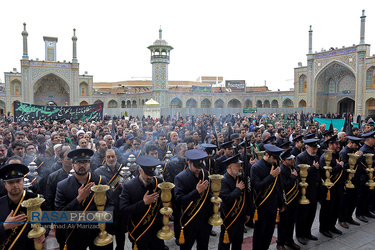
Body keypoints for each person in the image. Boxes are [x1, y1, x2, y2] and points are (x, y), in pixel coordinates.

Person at [55, 148, 113, 250]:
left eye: (85, 162)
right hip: (75, 232)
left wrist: (106, 215)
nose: (82, 165)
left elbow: (110, 203)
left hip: (98, 230)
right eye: (78, 162)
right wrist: (78, 199)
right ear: (72, 165)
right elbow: (60, 215)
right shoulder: (62, 186)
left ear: (89, 164)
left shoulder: (100, 180)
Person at [120, 155, 166, 250]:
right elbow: (123, 210)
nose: (150, 177)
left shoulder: (159, 182)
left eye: (152, 174)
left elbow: (162, 203)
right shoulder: (129, 186)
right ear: (140, 171)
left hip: (156, 230)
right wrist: (143, 203)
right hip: (139, 230)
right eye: (147, 174)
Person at [0, 163, 46, 249]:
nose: (15, 185)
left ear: (23, 181)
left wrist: (43, 233)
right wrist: (4, 226)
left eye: (18, 181)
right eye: (10, 182)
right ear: (5, 184)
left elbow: (47, 221)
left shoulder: (36, 199)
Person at [174, 149, 213, 250]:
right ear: (188, 163)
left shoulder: (205, 174)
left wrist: (214, 199)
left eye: (200, 166)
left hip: (204, 221)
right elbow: (178, 200)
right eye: (196, 166)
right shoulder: (180, 178)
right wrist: (196, 192)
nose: (199, 170)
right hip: (189, 220)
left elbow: (209, 193)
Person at [251, 144, 285, 250]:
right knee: (259, 233)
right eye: (274, 158)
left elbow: (279, 186)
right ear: (266, 154)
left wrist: (281, 203)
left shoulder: (275, 164)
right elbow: (257, 186)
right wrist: (271, 176)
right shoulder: (256, 167)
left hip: (274, 205)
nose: (275, 161)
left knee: (269, 233)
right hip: (261, 206)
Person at [94, 149, 127, 250]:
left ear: (116, 157)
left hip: (121, 207)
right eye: (108, 157)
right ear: (105, 159)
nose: (111, 159)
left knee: (121, 234)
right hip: (107, 208)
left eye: (113, 156)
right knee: (107, 235)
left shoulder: (123, 169)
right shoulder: (98, 172)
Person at [218, 154, 250, 250]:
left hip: (240, 216)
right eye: (237, 166)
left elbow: (246, 196)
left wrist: (248, 212)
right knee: (225, 243)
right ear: (229, 167)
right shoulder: (223, 180)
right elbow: (227, 198)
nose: (240, 168)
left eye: (240, 165)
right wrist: (238, 189)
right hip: (229, 216)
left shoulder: (240, 177)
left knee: (238, 242)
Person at [295, 139, 321, 245]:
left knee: (311, 213)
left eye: (316, 149)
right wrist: (313, 168)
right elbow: (299, 174)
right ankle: (300, 234)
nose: (315, 151)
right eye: (313, 149)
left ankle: (307, 232)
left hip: (314, 189)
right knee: (302, 214)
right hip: (304, 190)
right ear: (307, 147)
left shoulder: (316, 156)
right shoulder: (300, 157)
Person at [318, 135, 345, 238]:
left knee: (335, 208)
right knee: (327, 209)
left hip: (337, 187)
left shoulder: (337, 155)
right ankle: (324, 228)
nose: (338, 145)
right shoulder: (325, 157)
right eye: (336, 144)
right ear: (330, 145)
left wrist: (338, 166)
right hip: (328, 188)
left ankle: (332, 226)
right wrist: (338, 166)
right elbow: (328, 173)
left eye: (338, 143)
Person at [276, 148, 300, 250]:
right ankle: (280, 243)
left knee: (291, 223)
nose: (291, 160)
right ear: (283, 161)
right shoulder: (281, 170)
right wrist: (293, 177)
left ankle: (289, 241)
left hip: (294, 200)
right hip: (286, 201)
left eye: (292, 159)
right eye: (289, 159)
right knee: (283, 224)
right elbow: (284, 186)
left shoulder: (292, 167)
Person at [338, 136, 362, 228]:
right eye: (355, 144)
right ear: (350, 143)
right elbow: (343, 166)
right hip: (346, 181)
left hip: (355, 180)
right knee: (345, 201)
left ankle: (349, 217)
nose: (357, 147)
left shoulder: (353, 151)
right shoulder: (344, 152)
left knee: (353, 200)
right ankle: (342, 219)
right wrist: (354, 158)